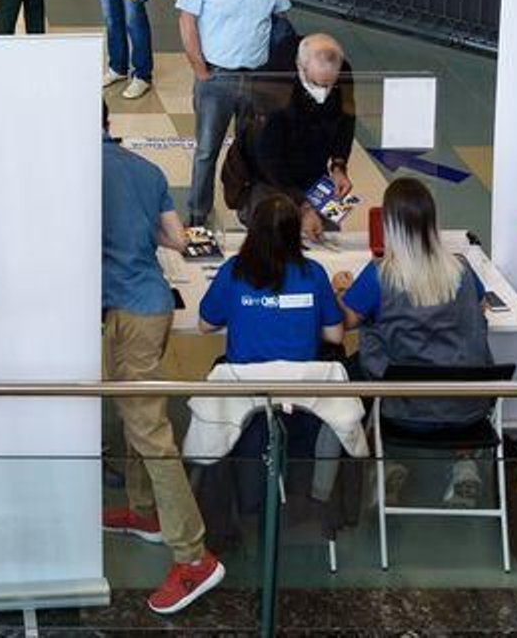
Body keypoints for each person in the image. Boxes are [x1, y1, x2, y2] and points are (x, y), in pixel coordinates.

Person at [97, 102, 225, 616]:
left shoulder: (73, 172)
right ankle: (143, 509)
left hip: (127, 313)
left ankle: (193, 556)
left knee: (149, 427)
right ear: (108, 122)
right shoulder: (145, 170)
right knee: (134, 412)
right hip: (153, 303)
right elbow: (174, 237)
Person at [333, 177, 495, 504]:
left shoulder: (380, 275)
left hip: (401, 411)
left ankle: (386, 462)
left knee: (350, 370)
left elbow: (345, 322)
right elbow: (480, 308)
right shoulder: (461, 270)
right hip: (466, 411)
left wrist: (339, 290)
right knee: (450, 363)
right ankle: (464, 465)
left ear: (390, 227)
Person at [176, 0, 291, 226]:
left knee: (254, 150)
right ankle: (198, 215)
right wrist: (200, 69)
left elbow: (280, 20)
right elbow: (187, 20)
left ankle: (250, 212)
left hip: (256, 78)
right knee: (206, 151)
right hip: (216, 77)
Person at [227, 33, 355, 240]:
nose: (324, 91)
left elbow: (346, 119)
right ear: (301, 68)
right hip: (266, 174)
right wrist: (302, 207)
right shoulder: (271, 85)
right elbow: (267, 157)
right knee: (277, 230)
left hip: (312, 164)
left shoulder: (342, 71)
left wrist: (339, 166)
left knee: (327, 231)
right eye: (318, 84)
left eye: (329, 85)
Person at [198, 193, 344, 362]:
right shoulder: (314, 272)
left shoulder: (234, 269)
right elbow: (335, 335)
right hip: (300, 381)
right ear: (295, 232)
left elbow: (206, 325)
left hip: (245, 380)